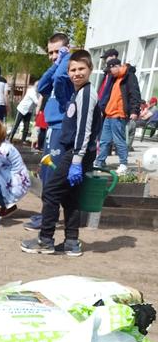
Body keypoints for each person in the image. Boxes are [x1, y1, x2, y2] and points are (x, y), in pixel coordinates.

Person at [21, 49, 101, 257]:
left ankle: (45, 240)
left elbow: (84, 129)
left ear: (90, 69)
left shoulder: (86, 94)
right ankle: (72, 242)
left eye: (81, 68)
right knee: (70, 196)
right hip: (75, 152)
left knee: (51, 192)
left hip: (75, 153)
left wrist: (77, 160)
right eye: (72, 69)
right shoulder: (78, 92)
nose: (77, 73)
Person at [24, 32, 74, 231]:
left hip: (62, 127)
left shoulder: (68, 68)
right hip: (51, 127)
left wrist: (66, 59)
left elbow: (61, 76)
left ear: (66, 49)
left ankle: (48, 218)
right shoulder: (57, 67)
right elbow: (42, 86)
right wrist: (55, 64)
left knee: (53, 176)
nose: (53, 56)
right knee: (45, 174)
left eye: (57, 51)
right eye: (50, 52)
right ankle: (46, 213)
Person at [94, 58, 141, 175]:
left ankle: (123, 164)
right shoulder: (114, 78)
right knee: (104, 141)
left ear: (115, 66)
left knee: (119, 140)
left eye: (110, 70)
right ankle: (100, 162)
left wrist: (135, 111)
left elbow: (135, 94)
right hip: (109, 114)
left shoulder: (129, 76)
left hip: (119, 115)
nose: (109, 73)